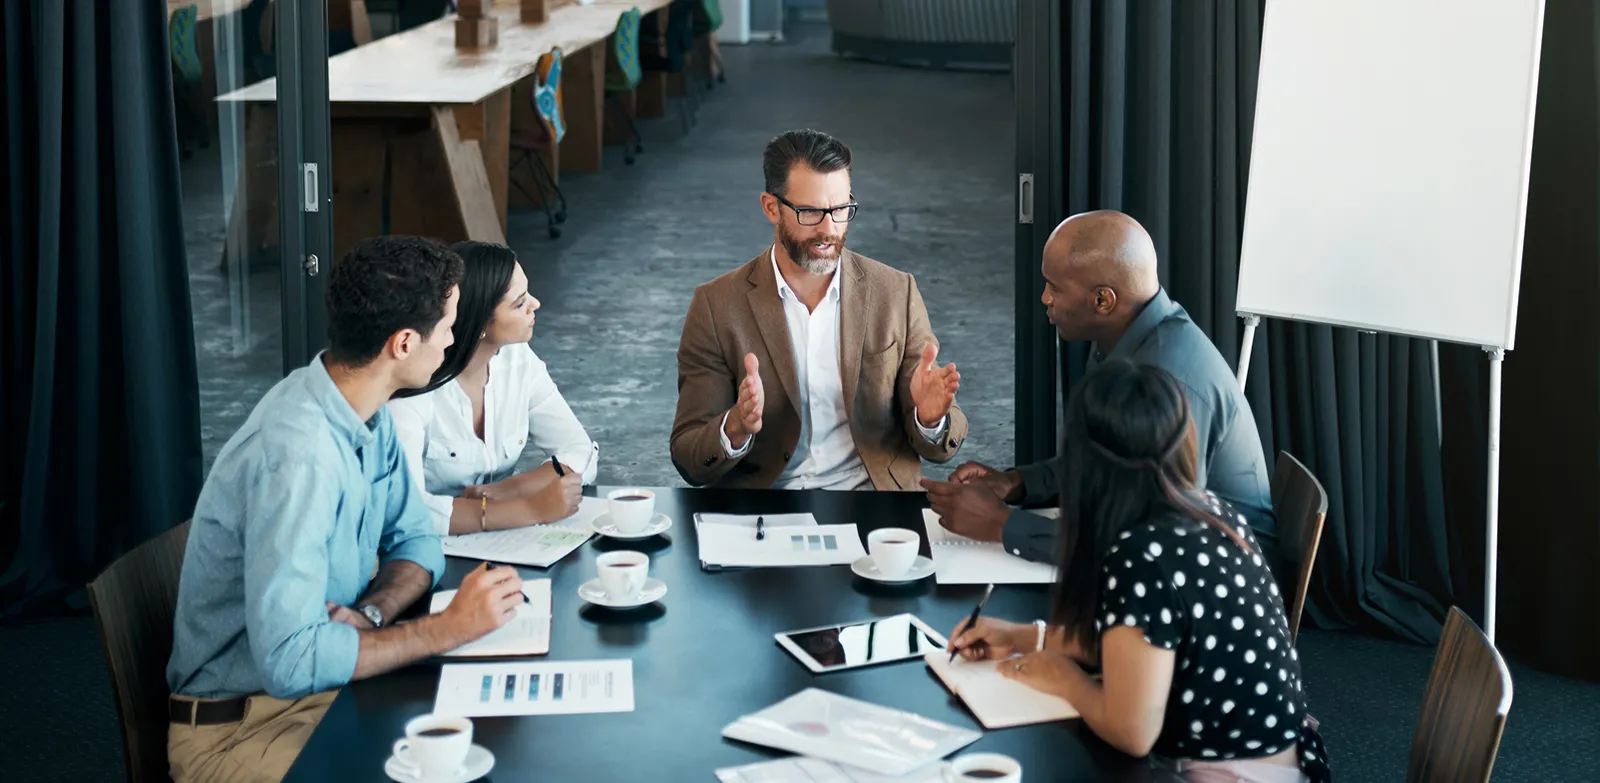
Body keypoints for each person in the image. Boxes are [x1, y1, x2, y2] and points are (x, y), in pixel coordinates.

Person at [166, 237, 528, 783]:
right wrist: (445, 629)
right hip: (245, 731)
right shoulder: (298, 457)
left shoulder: (362, 409)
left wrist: (373, 614)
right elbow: (290, 662)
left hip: (325, 692)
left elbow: (416, 542)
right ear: (405, 343)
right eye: (449, 326)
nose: (455, 338)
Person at [946, 360, 1329, 782]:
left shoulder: (1140, 557)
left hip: (1226, 771)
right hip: (1283, 758)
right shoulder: (1212, 512)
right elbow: (1141, 648)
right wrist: (1025, 637)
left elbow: (1133, 733)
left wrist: (1065, 676)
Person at [922, 210, 1274, 565]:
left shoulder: (1166, 382)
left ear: (1103, 301)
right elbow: (1107, 467)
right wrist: (1015, 484)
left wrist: (1001, 524)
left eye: (1055, 287)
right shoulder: (1124, 336)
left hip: (1222, 576)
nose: (1045, 298)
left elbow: (1147, 542)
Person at [671, 128, 967, 490]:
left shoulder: (895, 293)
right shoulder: (717, 306)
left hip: (870, 498)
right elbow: (689, 456)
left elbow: (938, 447)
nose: (829, 229)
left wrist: (929, 418)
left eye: (841, 209)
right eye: (810, 211)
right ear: (771, 208)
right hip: (766, 506)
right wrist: (734, 427)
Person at [388, 241, 594, 536]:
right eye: (520, 302)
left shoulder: (517, 358)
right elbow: (407, 512)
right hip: (422, 549)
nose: (535, 304)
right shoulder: (414, 387)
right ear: (479, 322)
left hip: (501, 541)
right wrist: (530, 509)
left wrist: (505, 490)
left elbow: (579, 450)